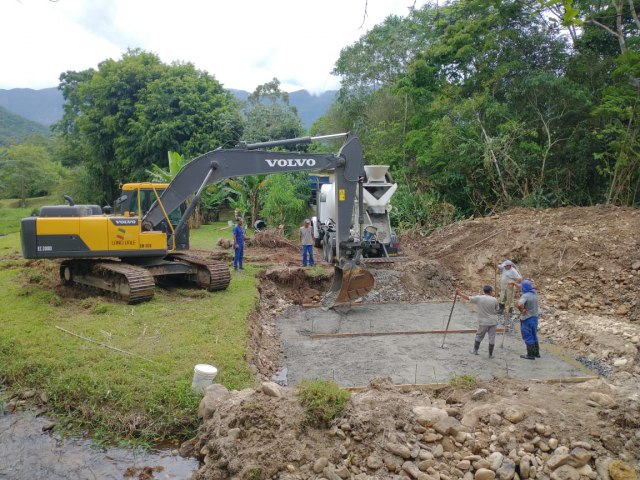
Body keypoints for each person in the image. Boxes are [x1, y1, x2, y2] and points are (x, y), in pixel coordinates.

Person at [456, 285, 500, 358]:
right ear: (490, 291)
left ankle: (475, 351)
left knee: (479, 335)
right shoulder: (494, 299)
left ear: (484, 291)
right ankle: (490, 354)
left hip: (484, 322)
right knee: (492, 337)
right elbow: (497, 310)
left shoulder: (479, 298)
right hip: (493, 321)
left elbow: (468, 297)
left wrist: (459, 293)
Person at [516, 279, 540, 360]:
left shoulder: (525, 295)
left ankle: (530, 355)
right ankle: (536, 353)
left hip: (527, 318)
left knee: (527, 335)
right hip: (535, 318)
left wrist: (522, 310)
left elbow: (519, 304)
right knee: (534, 335)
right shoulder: (534, 293)